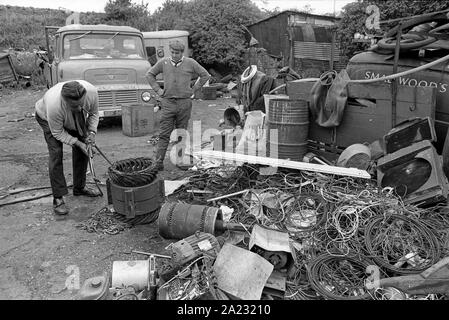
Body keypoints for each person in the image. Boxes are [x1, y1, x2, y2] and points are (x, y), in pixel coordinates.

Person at [35, 80, 102, 215]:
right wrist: (78, 142)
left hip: (66, 116)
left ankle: (79, 187)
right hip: (47, 119)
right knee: (56, 153)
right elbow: (58, 133)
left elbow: (94, 113)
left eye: (80, 105)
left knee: (84, 148)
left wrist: (92, 133)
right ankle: (58, 198)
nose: (78, 109)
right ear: (65, 101)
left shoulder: (91, 93)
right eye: (74, 106)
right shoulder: (55, 106)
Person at [146, 40, 210, 170]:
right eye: (173, 52)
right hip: (168, 103)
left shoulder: (190, 63)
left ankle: (180, 161)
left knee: (181, 132)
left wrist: (194, 89)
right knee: (164, 133)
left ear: (182, 52)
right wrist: (158, 90)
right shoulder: (163, 62)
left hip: (184, 103)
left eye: (177, 53)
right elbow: (149, 74)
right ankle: (158, 162)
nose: (174, 55)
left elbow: (205, 75)